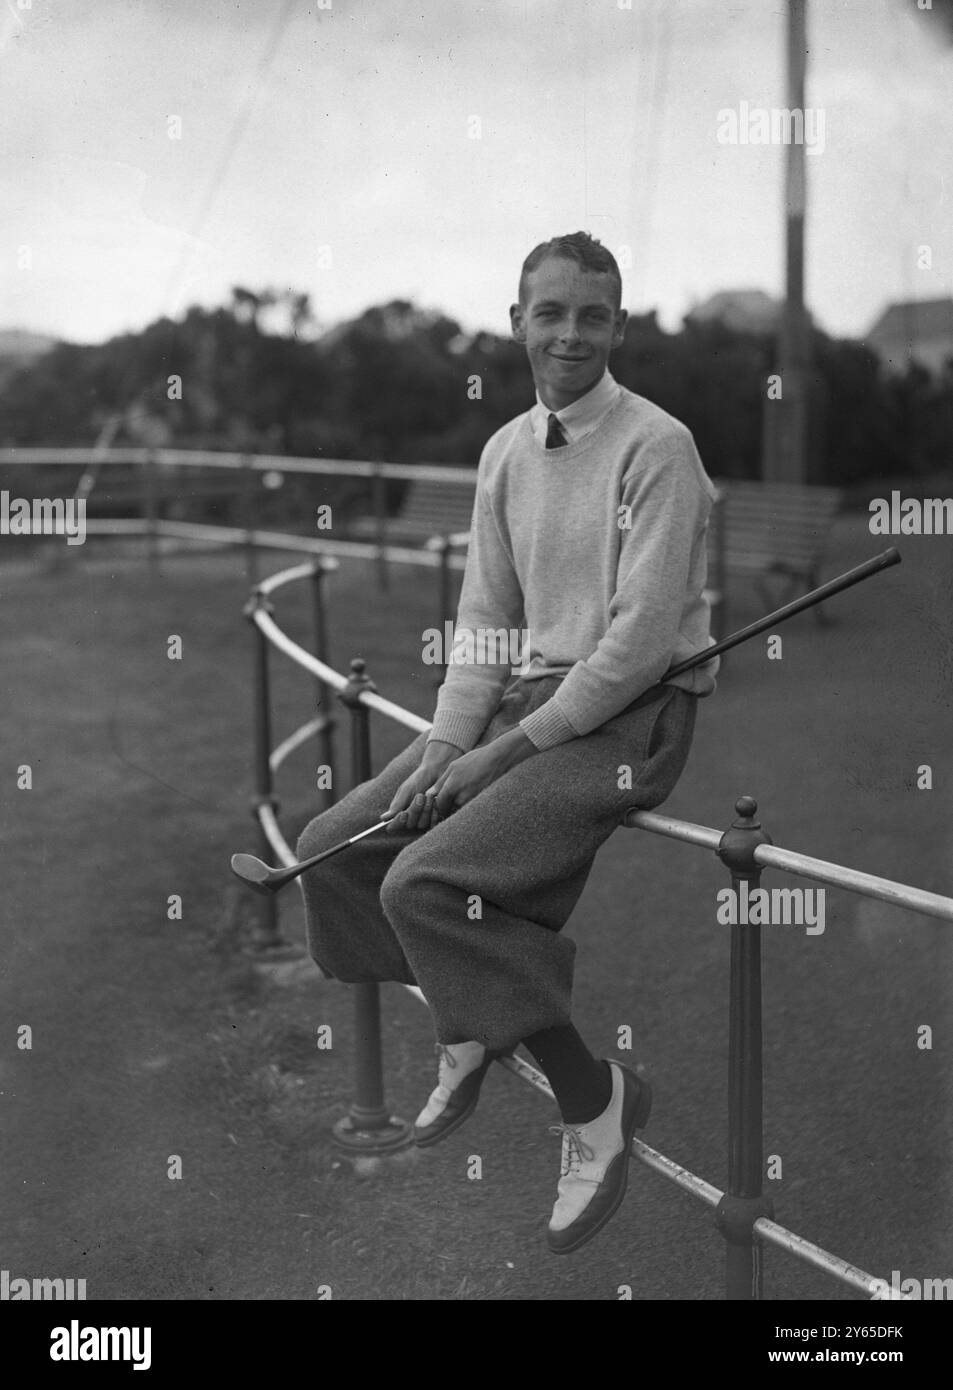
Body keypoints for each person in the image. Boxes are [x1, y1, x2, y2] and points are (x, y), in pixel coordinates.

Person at [296, 231, 719, 1254]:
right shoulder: (501, 454)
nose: (568, 332)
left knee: (425, 885)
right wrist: (448, 743)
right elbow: (483, 623)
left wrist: (500, 754)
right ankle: (466, 1021)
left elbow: (633, 646)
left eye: (591, 314)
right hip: (522, 700)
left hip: (625, 715)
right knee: (334, 852)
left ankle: (594, 1097)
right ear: (516, 320)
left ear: (617, 326)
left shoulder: (656, 447)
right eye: (550, 311)